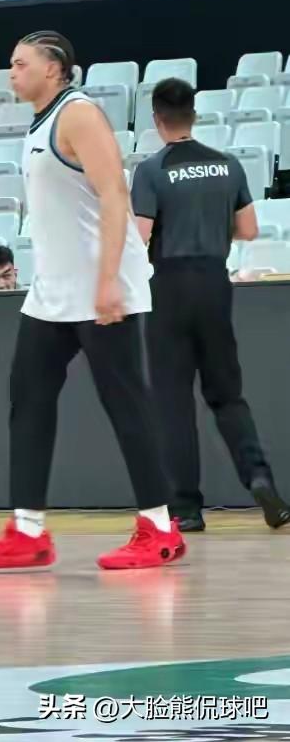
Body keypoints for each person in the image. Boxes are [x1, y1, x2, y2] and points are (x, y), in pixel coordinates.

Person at [0, 31, 185, 571]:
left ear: (54, 69)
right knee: (28, 396)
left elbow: (115, 196)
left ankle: (160, 528)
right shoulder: (39, 123)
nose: (11, 72)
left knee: (126, 403)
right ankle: (27, 531)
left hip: (102, 287)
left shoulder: (78, 115)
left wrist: (107, 281)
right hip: (54, 291)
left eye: (20, 63)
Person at [132, 78, 290, 533]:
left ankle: (185, 508)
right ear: (194, 115)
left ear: (157, 119)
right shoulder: (228, 165)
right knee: (227, 395)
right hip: (214, 284)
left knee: (174, 401)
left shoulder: (152, 170)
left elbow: (140, 236)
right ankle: (260, 479)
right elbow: (249, 229)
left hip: (170, 286)